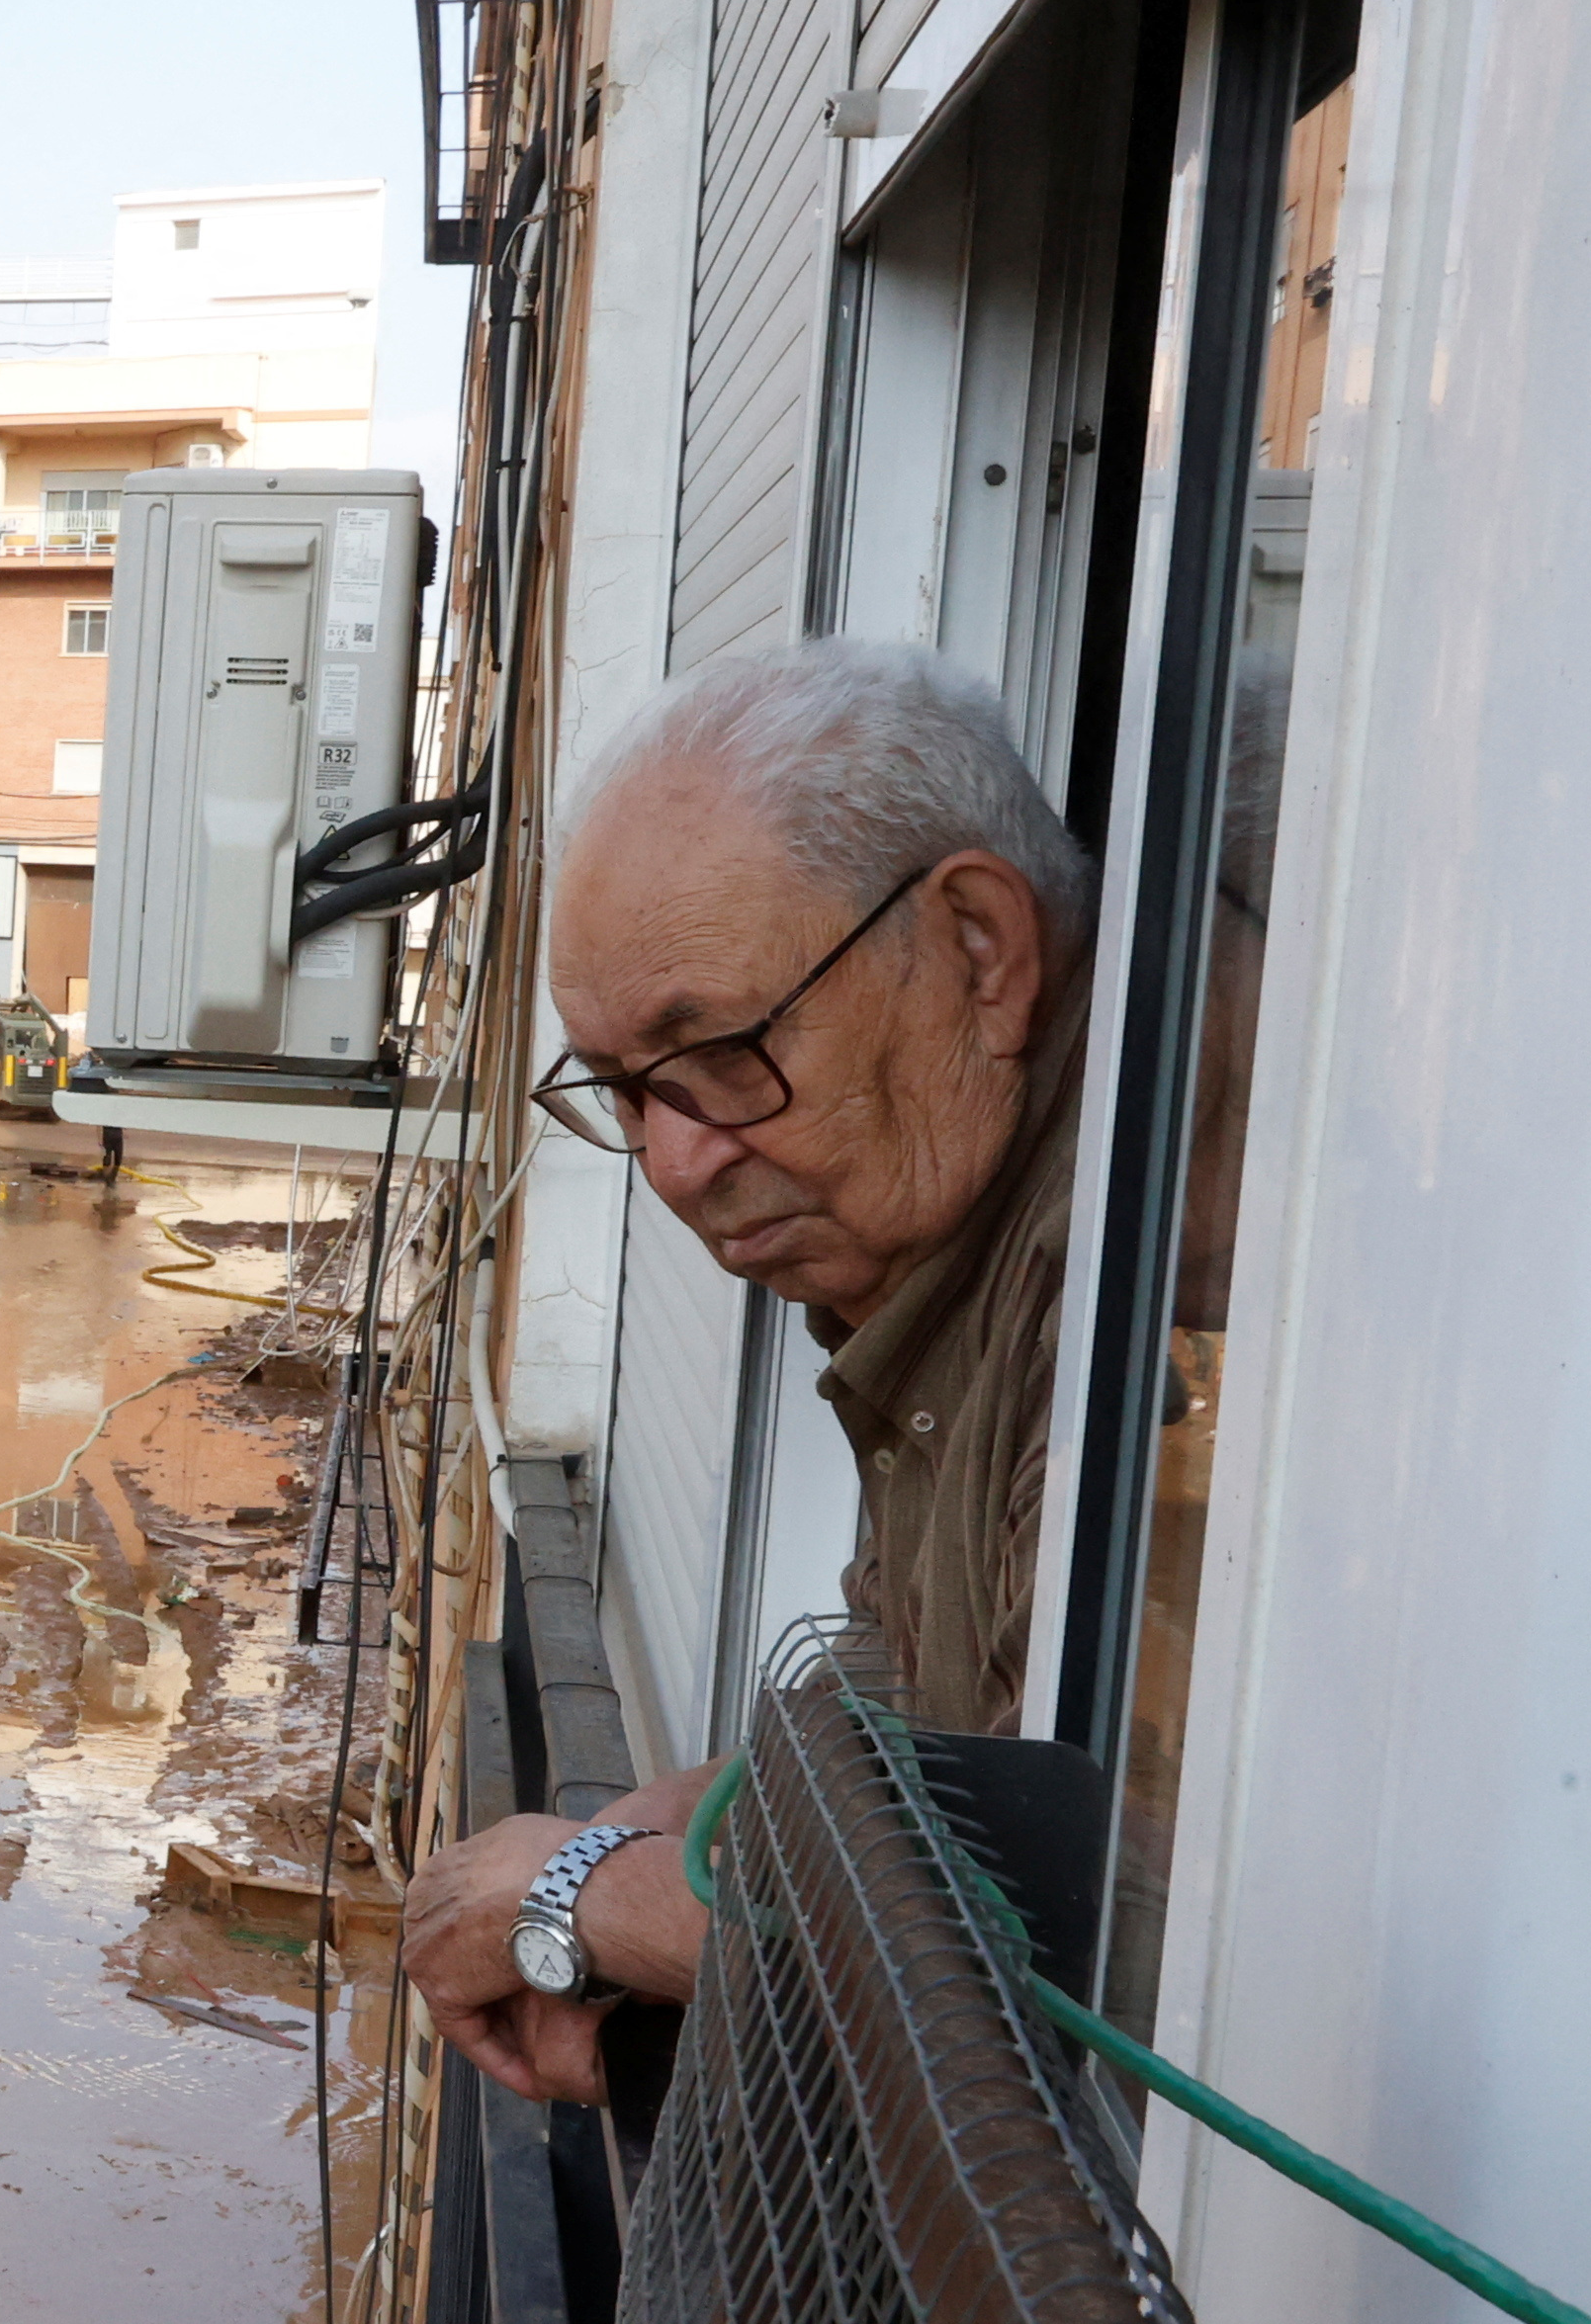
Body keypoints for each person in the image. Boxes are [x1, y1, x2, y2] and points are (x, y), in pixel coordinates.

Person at [404, 640, 1098, 2110]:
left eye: (715, 1054)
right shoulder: (948, 1264)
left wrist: (587, 1901)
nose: (676, 1161)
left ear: (979, 952)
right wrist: (696, 1813)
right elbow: (932, 1688)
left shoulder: (1148, 1309)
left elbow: (1090, 1917)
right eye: (625, 1093)